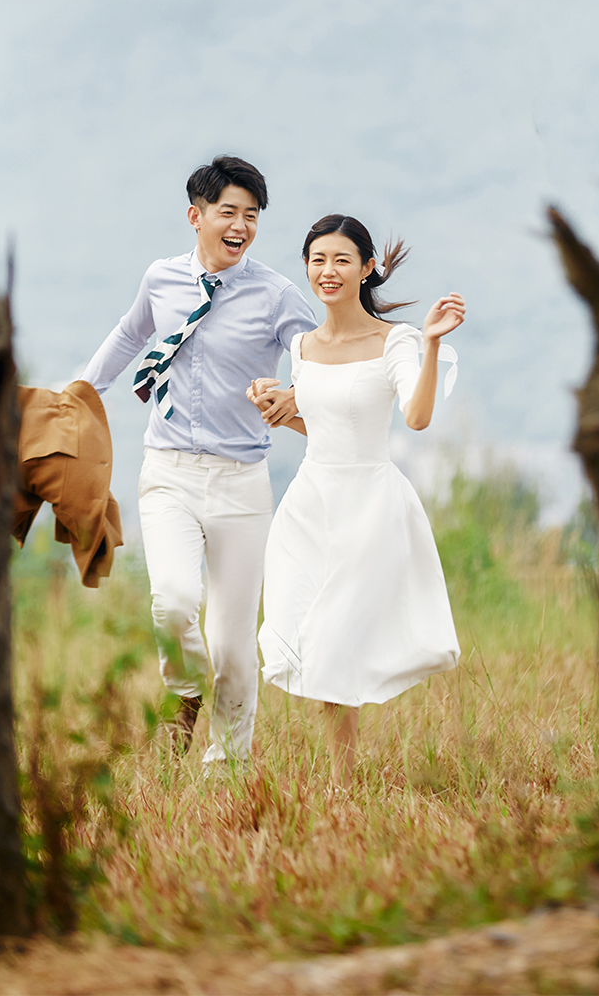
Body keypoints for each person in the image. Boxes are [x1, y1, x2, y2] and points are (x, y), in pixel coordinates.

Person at [82, 155, 317, 765]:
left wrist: (298, 395)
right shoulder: (161, 279)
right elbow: (129, 335)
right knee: (174, 600)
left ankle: (227, 766)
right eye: (228, 212)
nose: (241, 226)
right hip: (169, 471)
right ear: (196, 216)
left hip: (242, 483)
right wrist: (84, 393)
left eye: (252, 215)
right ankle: (184, 691)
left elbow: (315, 355)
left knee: (233, 645)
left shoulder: (276, 295)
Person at [248, 214, 464, 783]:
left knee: (337, 635)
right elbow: (320, 429)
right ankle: (343, 786)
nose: (329, 270)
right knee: (318, 642)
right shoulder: (302, 346)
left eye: (342, 260)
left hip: (369, 505)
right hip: (309, 506)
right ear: (306, 267)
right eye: (318, 259)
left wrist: (431, 343)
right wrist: (276, 408)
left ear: (367, 268)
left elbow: (416, 417)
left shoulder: (394, 341)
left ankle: (343, 787)